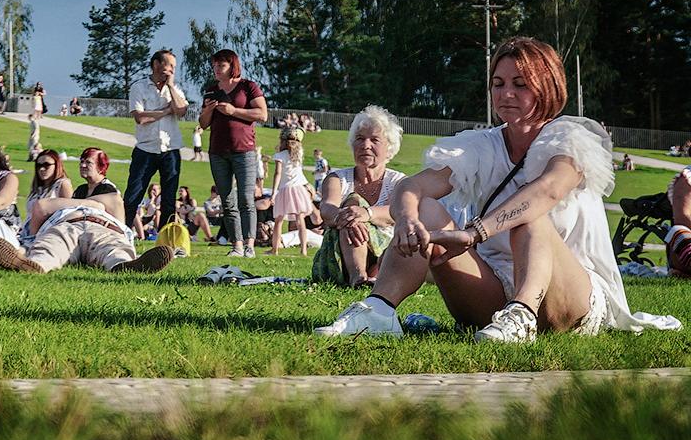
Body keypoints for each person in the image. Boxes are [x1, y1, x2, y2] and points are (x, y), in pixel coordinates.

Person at [316, 37, 681, 341]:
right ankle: (379, 309)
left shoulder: (571, 140)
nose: (507, 93)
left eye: (521, 84)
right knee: (425, 209)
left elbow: (547, 191)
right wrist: (408, 217)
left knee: (529, 216)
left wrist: (475, 232)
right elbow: (413, 185)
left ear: (548, 86)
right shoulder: (481, 144)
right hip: (491, 291)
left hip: (567, 293)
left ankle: (521, 315)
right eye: (499, 83)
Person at [312, 106, 406, 287]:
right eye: (360, 139)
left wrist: (366, 213)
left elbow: (401, 212)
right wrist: (350, 217)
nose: (366, 145)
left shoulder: (400, 182)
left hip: (386, 256)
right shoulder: (336, 178)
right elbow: (327, 209)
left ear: (389, 147)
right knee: (351, 207)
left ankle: (372, 275)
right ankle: (358, 276)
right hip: (338, 258)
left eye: (374, 140)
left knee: (355, 211)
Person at [0, 187, 175, 275]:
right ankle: (31, 265)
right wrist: (93, 204)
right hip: (66, 225)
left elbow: (115, 200)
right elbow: (41, 206)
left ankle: (126, 267)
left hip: (103, 228)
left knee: (113, 249)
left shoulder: (105, 203)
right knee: (51, 247)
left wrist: (92, 205)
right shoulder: (70, 209)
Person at [198, 49, 268, 258]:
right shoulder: (211, 90)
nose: (216, 69)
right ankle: (236, 245)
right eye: (214, 65)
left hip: (243, 150)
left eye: (221, 65)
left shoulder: (248, 86)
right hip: (217, 151)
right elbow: (203, 123)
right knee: (227, 201)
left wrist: (233, 111)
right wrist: (209, 110)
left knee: (246, 199)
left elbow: (262, 114)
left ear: (232, 65)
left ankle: (249, 245)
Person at [123, 49, 187, 235]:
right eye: (170, 65)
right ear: (157, 65)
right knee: (133, 195)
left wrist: (171, 86)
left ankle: (165, 241)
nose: (172, 70)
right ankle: (123, 234)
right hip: (145, 149)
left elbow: (181, 110)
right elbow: (140, 118)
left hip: (171, 149)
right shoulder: (139, 87)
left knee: (168, 199)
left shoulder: (174, 89)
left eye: (174, 67)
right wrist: (166, 111)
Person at [270, 128, 313, 256]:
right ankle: (303, 249)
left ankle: (275, 249)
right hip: (299, 189)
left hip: (285, 190)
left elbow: (277, 174)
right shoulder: (298, 154)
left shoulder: (279, 156)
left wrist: (273, 192)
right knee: (300, 220)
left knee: (279, 220)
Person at [24, 149, 73, 231]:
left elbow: (69, 212)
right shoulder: (38, 188)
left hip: (49, 233)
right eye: (39, 165)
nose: (42, 169)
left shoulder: (62, 184)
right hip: (27, 232)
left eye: (47, 165)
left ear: (57, 165)